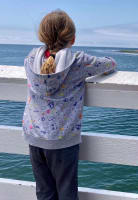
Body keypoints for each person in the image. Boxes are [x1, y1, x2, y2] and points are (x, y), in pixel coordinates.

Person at [22, 10, 116, 200]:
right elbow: (110, 64)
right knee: (66, 193)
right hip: (63, 140)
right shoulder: (78, 61)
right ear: (72, 38)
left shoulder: (31, 59)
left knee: (44, 192)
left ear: (42, 36)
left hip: (34, 137)